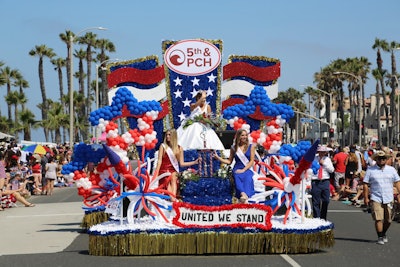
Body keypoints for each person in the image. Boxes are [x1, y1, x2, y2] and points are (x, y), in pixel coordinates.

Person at [363, 150, 400, 245]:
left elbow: (397, 182)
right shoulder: (370, 170)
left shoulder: (391, 170)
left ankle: (383, 233)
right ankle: (379, 236)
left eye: (383, 158)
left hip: (388, 197)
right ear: (376, 159)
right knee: (378, 218)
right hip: (376, 196)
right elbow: (366, 184)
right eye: (379, 158)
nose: (381, 160)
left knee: (388, 220)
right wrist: (366, 197)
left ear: (386, 159)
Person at [154, 129, 200, 201]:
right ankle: (173, 199)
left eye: (169, 135)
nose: (167, 136)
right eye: (167, 135)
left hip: (173, 169)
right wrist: (156, 173)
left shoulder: (179, 148)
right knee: (167, 178)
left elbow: (182, 163)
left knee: (174, 177)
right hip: (163, 170)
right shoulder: (163, 146)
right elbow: (159, 161)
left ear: (174, 136)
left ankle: (173, 197)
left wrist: (194, 162)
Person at [213, 129, 256, 203]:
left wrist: (244, 170)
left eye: (246, 135)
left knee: (248, 177)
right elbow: (229, 161)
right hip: (237, 168)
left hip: (247, 168)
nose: (244, 137)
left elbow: (252, 161)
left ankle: (245, 196)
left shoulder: (251, 146)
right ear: (238, 136)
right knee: (237, 176)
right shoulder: (233, 148)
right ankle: (243, 195)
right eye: (242, 135)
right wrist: (218, 158)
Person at [310, 145, 335, 220]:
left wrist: (324, 163)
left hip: (325, 181)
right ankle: (316, 218)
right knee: (316, 201)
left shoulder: (327, 159)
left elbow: (331, 170)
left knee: (326, 200)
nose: (322, 153)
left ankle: (323, 217)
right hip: (316, 181)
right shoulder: (314, 158)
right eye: (321, 152)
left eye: (324, 152)